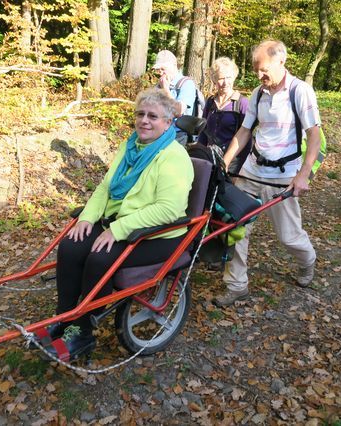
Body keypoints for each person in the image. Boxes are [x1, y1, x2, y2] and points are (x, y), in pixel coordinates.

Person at [41, 88, 194, 360]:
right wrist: (87, 218)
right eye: (140, 114)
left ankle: (83, 332)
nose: (144, 120)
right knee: (71, 246)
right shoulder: (131, 145)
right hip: (121, 222)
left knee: (100, 258)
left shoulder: (174, 156)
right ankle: (63, 318)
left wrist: (118, 230)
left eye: (153, 116)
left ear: (168, 122)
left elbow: (169, 209)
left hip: (159, 235)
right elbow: (106, 187)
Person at [214, 39, 322, 307]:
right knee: (236, 227)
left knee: (289, 236)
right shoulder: (258, 93)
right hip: (252, 170)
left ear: (280, 62)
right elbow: (245, 130)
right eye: (256, 71)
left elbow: (314, 135)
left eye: (263, 70)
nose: (259, 76)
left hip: (283, 175)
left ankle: (307, 262)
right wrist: (225, 162)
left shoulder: (301, 91)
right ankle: (237, 285)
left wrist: (304, 174)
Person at [198, 57, 249, 174]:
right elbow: (203, 131)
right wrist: (200, 155)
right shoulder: (210, 102)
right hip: (211, 159)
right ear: (214, 80)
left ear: (234, 77)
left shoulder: (242, 103)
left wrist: (238, 168)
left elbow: (246, 138)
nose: (225, 82)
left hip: (233, 164)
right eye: (221, 78)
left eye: (229, 77)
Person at [152, 50, 198, 145]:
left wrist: (165, 90)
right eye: (159, 69)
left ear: (174, 65)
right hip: (158, 132)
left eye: (163, 69)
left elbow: (178, 111)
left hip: (177, 135)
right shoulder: (159, 85)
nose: (160, 73)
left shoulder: (186, 84)